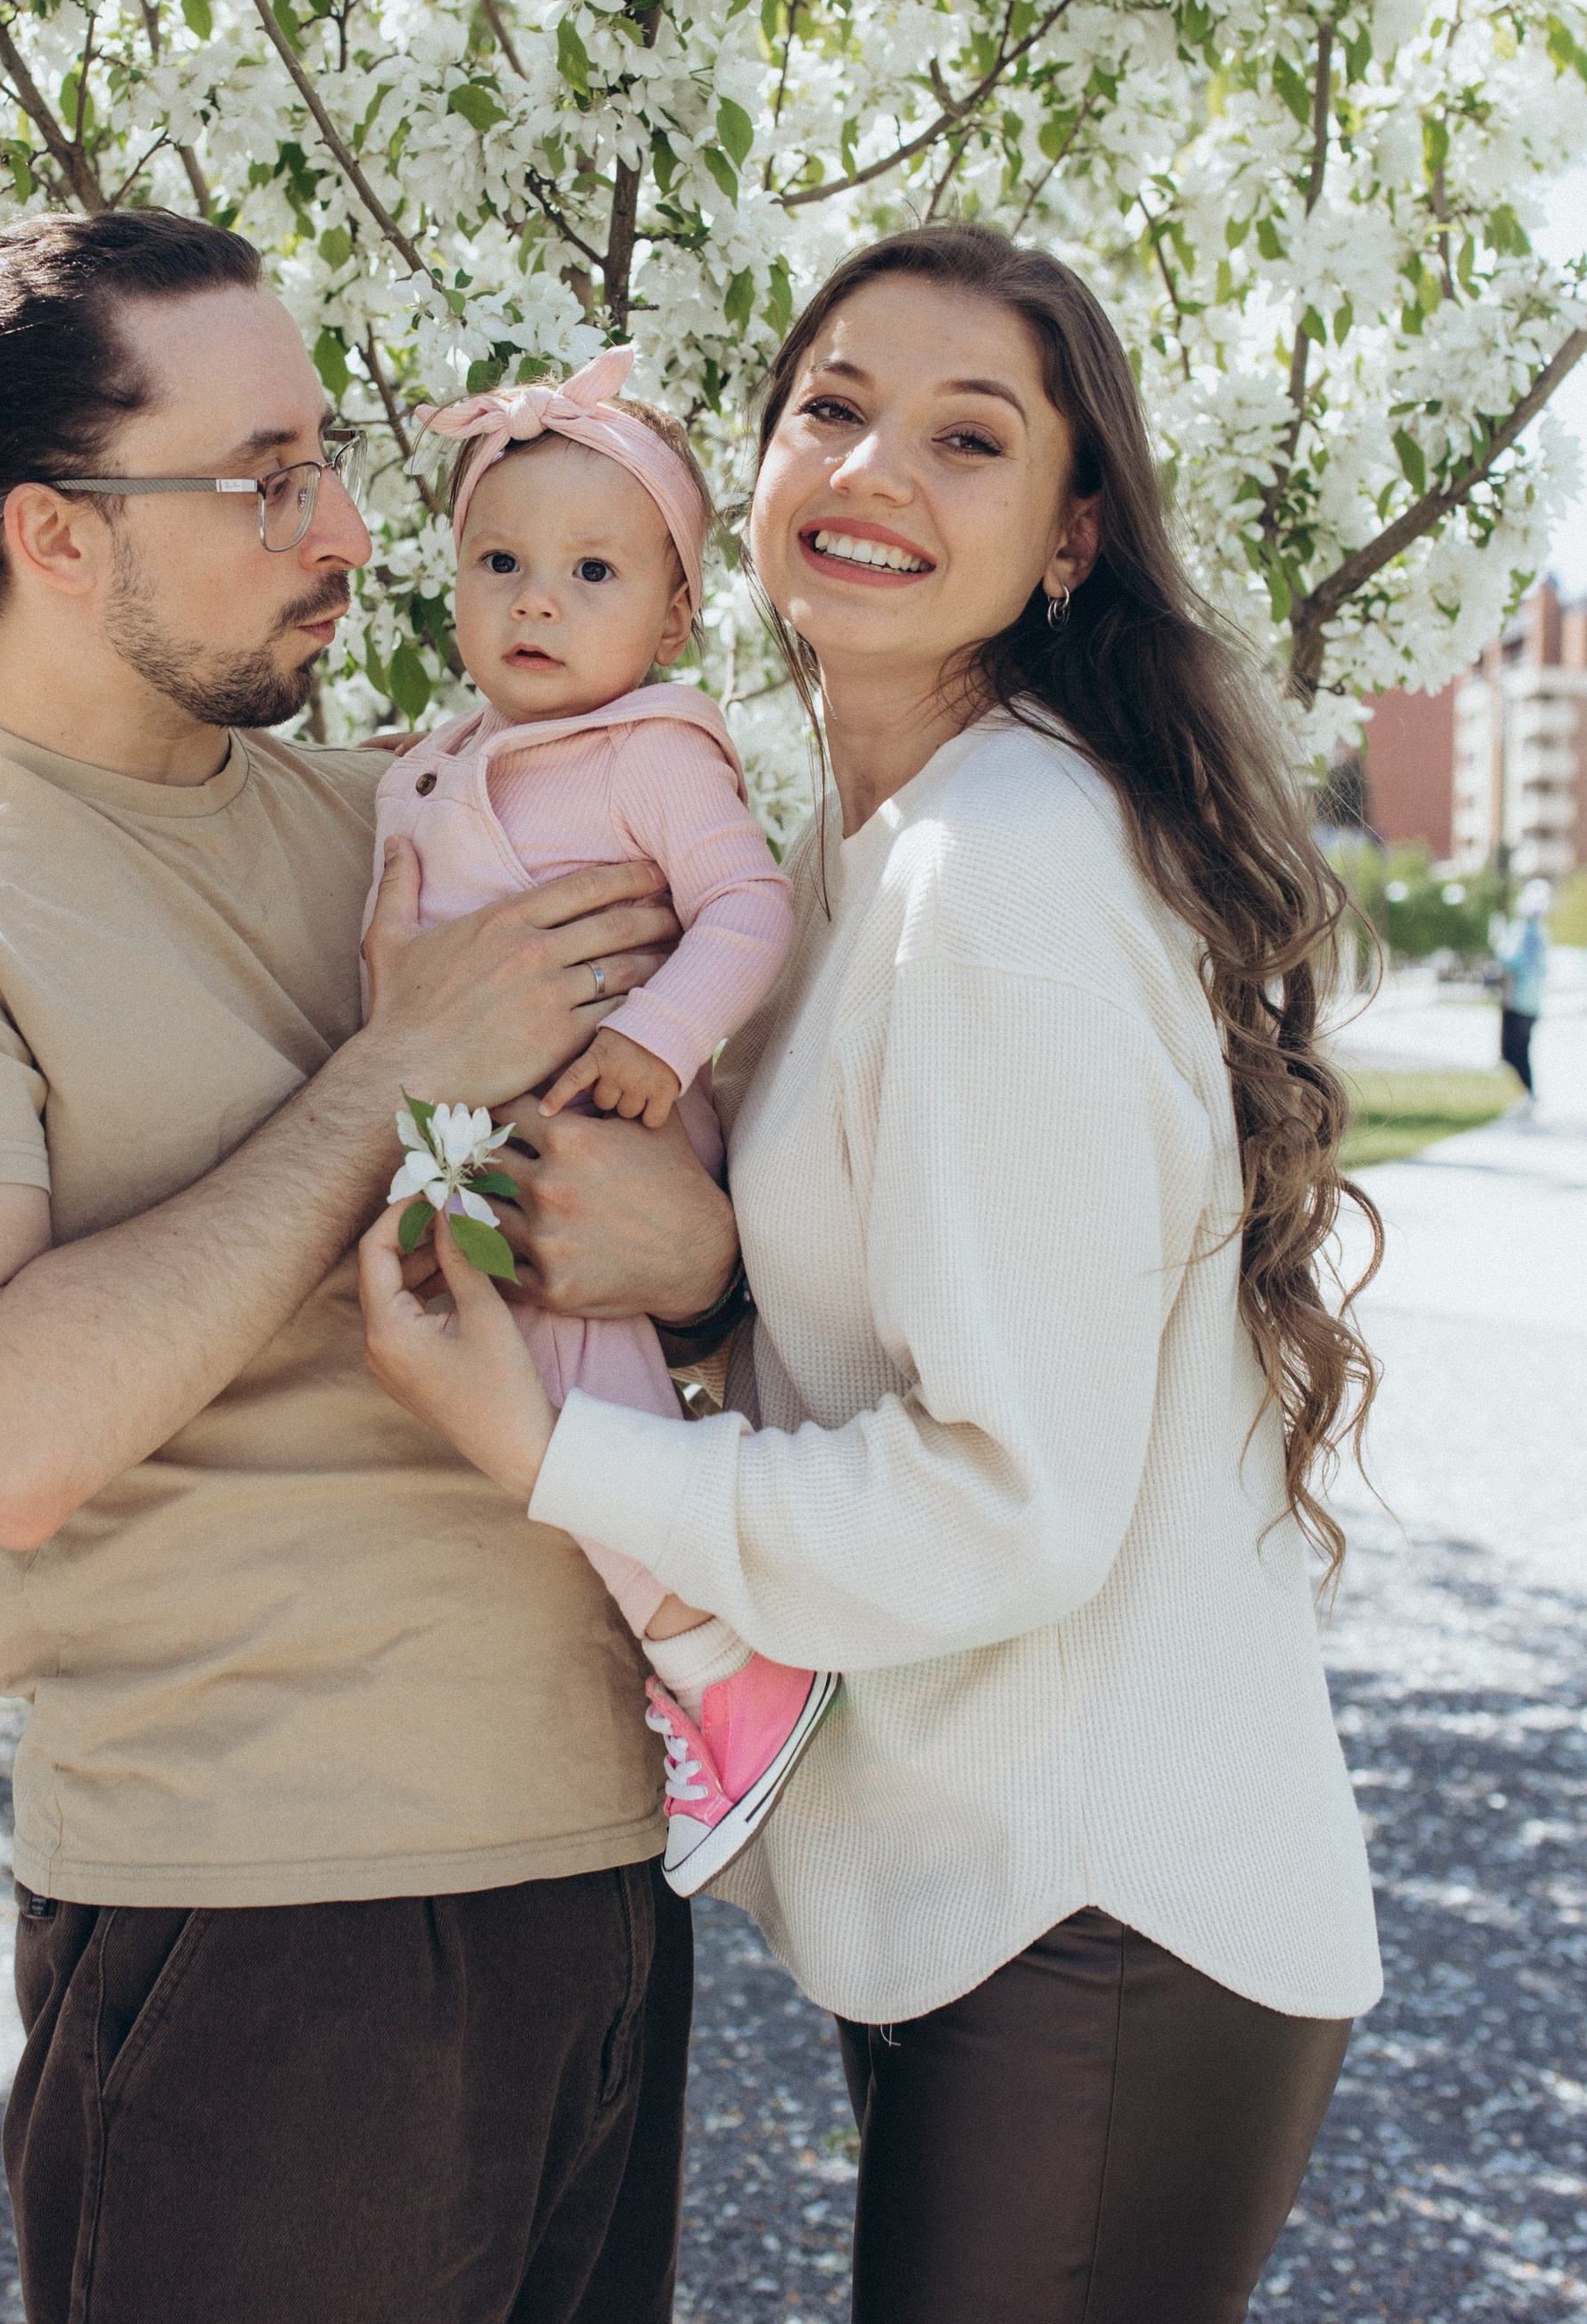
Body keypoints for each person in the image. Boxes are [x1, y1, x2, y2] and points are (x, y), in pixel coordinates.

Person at [361, 220, 1386, 2324]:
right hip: (986, 1885)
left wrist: (540, 1444)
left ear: (1069, 532)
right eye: (829, 408)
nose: (871, 471)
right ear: (739, 476)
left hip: (1100, 1910)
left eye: (963, 436)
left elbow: (1006, 1492)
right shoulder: (845, 850)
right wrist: (714, 1293)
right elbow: (916, 1303)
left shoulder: (994, 871)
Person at [0, 210, 737, 2324]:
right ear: (58, 535)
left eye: (329, 461)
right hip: (262, 1925)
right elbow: (4, 1430)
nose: (351, 528)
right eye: (263, 474)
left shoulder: (414, 819)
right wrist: (388, 1068)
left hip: (592, 1871)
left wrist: (703, 1276)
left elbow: (666, 1185)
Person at [372, 343, 831, 1895]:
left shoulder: (654, 750)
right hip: (490, 1147)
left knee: (577, 1397)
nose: (537, 602)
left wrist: (659, 1030)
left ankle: (722, 1658)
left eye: (589, 568)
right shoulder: (444, 753)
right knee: (519, 1384)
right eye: (498, 563)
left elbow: (749, 909)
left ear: (674, 611)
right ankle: (697, 1649)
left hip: (609, 1136)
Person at [1496, 876, 1550, 1114]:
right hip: (1532, 1003)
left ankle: (1527, 1094)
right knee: (1521, 1050)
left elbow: (1509, 962)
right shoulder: (1541, 933)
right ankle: (1526, 1094)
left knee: (1512, 1051)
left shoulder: (1521, 932)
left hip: (1518, 1001)